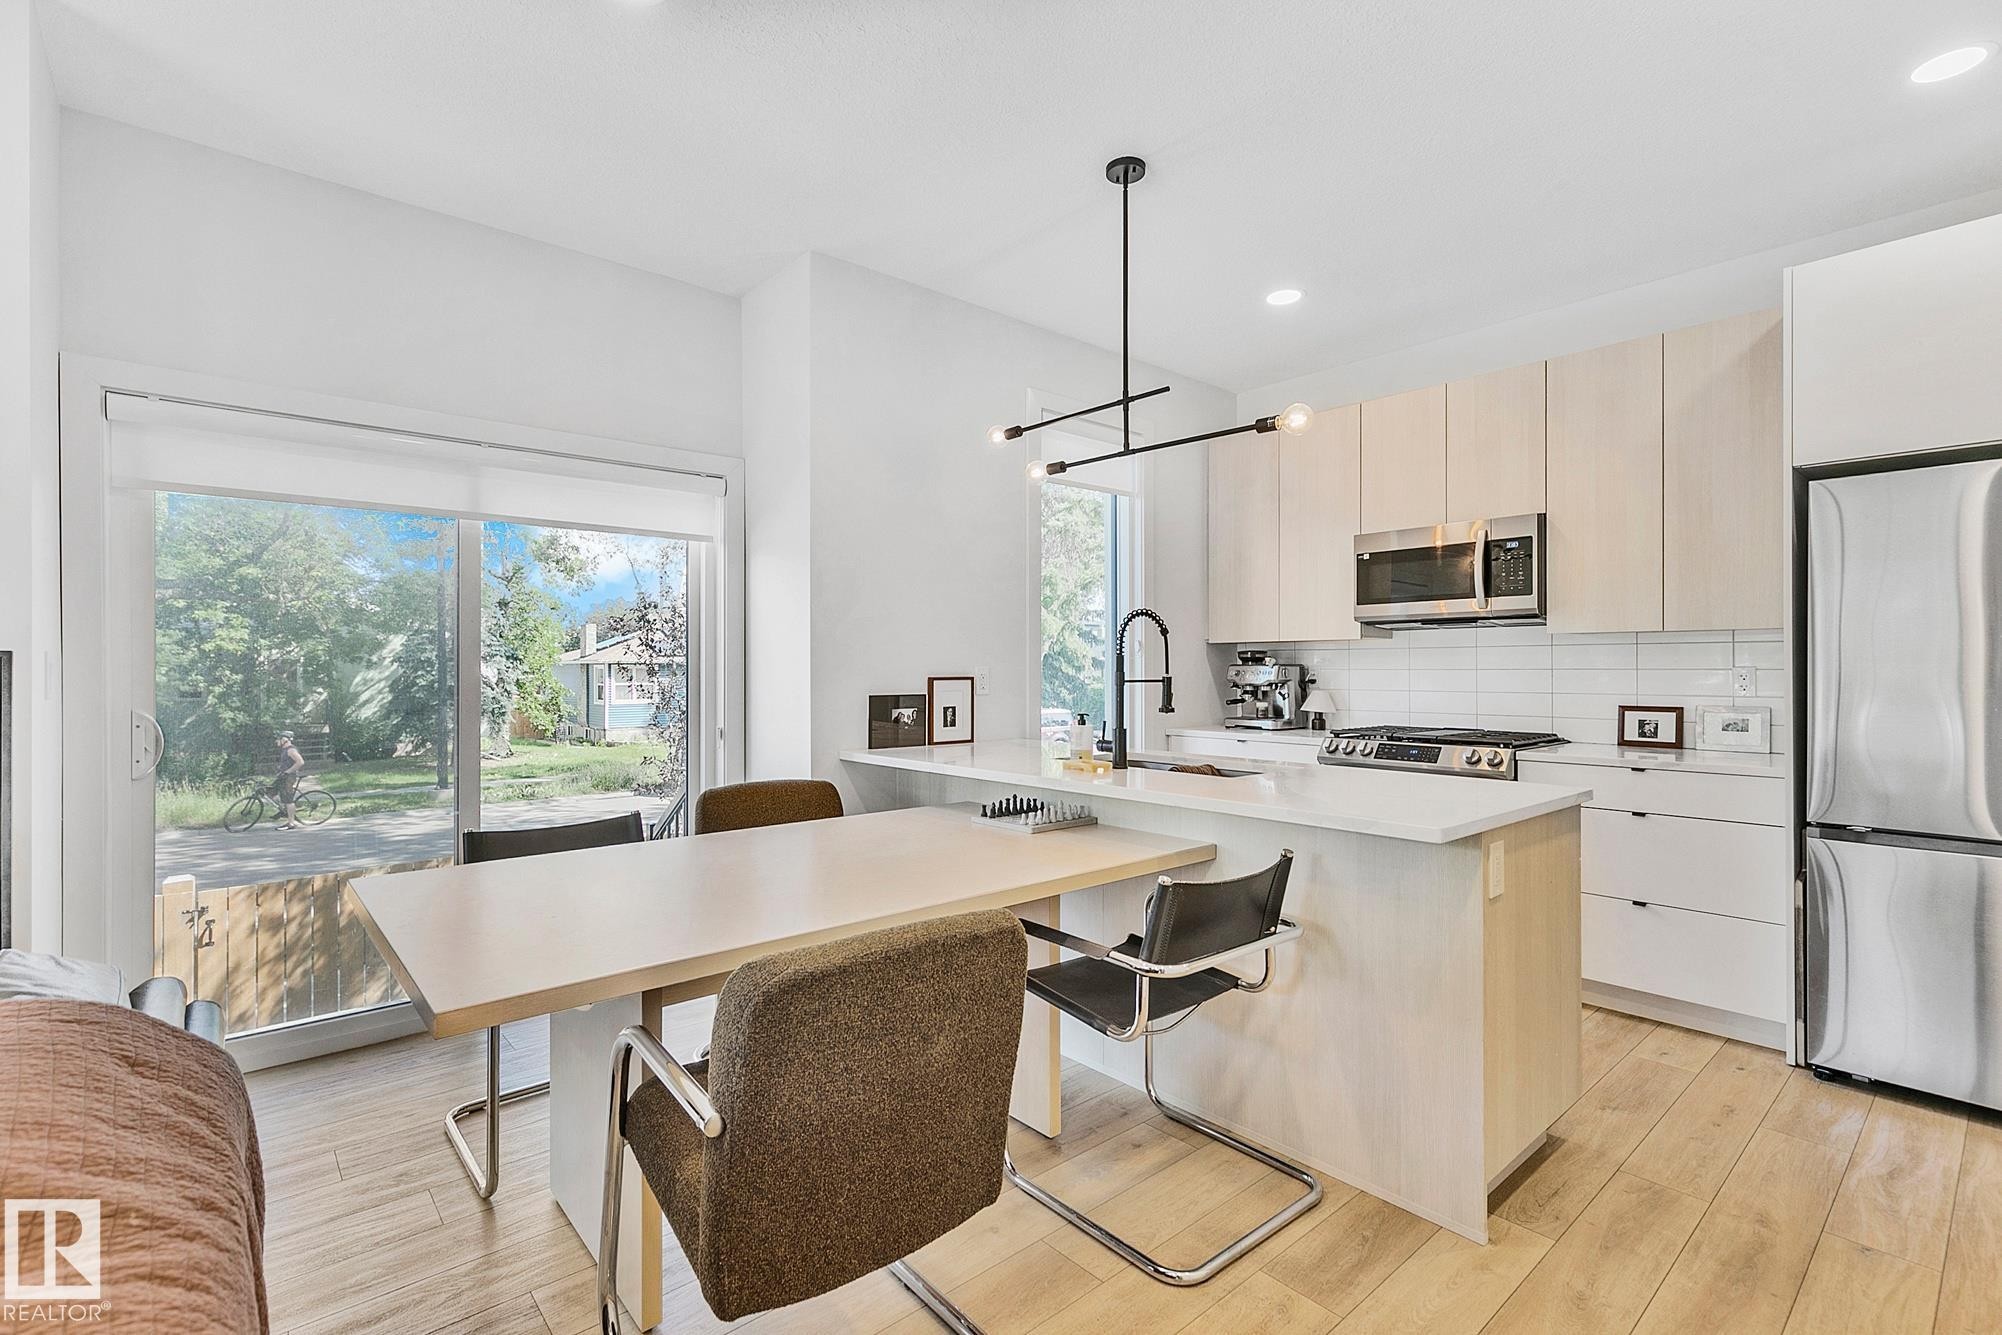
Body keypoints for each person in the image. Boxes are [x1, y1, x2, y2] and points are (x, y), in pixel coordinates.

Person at [273, 730, 308, 829]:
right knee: (270, 792)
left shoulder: (291, 750)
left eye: (278, 739)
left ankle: (291, 823)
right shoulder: (285, 750)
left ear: (284, 739)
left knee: (288, 800)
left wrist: (288, 771)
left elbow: (300, 762)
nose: (276, 741)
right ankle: (284, 810)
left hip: (289, 777)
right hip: (282, 776)